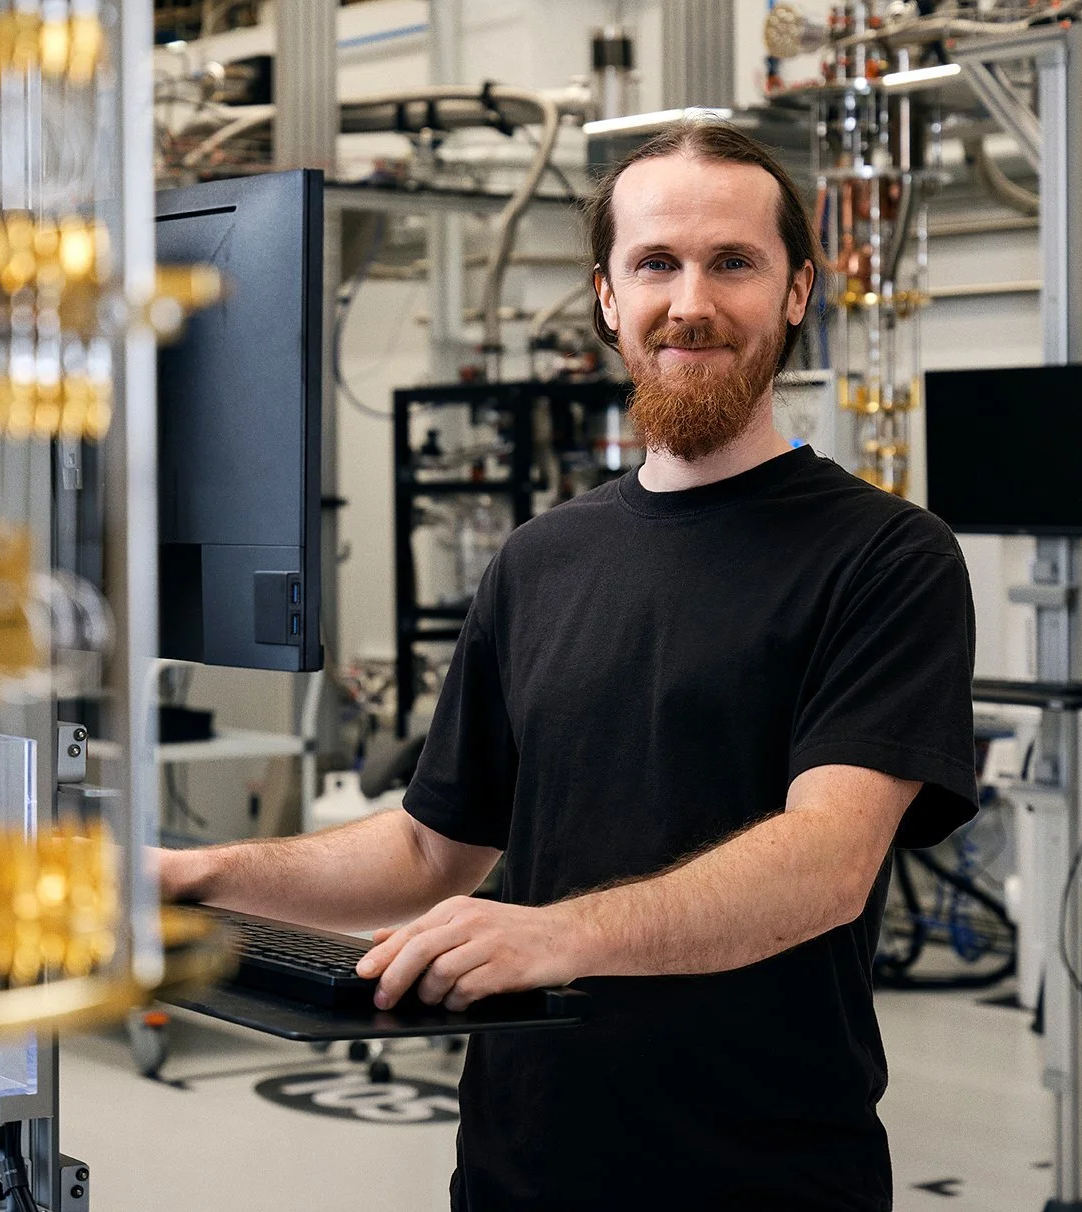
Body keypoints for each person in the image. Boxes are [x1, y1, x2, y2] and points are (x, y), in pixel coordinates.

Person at [152, 117, 978, 1211]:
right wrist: (201, 874)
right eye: (655, 264)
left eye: (732, 262)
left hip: (762, 1175)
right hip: (519, 1163)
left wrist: (557, 933)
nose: (690, 303)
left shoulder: (884, 556)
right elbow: (425, 846)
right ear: (605, 297)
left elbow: (826, 861)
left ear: (795, 292)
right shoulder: (540, 560)